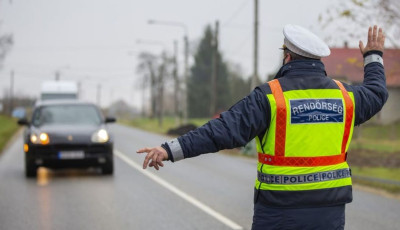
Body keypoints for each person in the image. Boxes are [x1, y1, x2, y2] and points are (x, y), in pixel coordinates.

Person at [137, 24, 388, 230]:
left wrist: (170, 149)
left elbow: (221, 131)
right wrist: (373, 57)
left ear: (287, 57)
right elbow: (377, 93)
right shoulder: (345, 97)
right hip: (330, 214)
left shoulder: (270, 96)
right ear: (318, 61)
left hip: (279, 214)